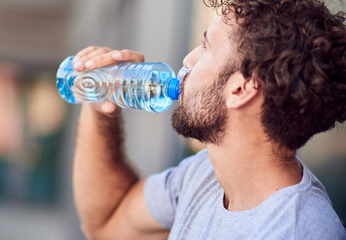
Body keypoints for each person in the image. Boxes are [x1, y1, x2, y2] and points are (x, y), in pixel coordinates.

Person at [71, 0, 346, 239]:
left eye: (206, 47)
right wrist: (99, 105)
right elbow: (105, 225)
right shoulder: (205, 173)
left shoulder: (293, 232)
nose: (188, 60)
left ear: (240, 90)